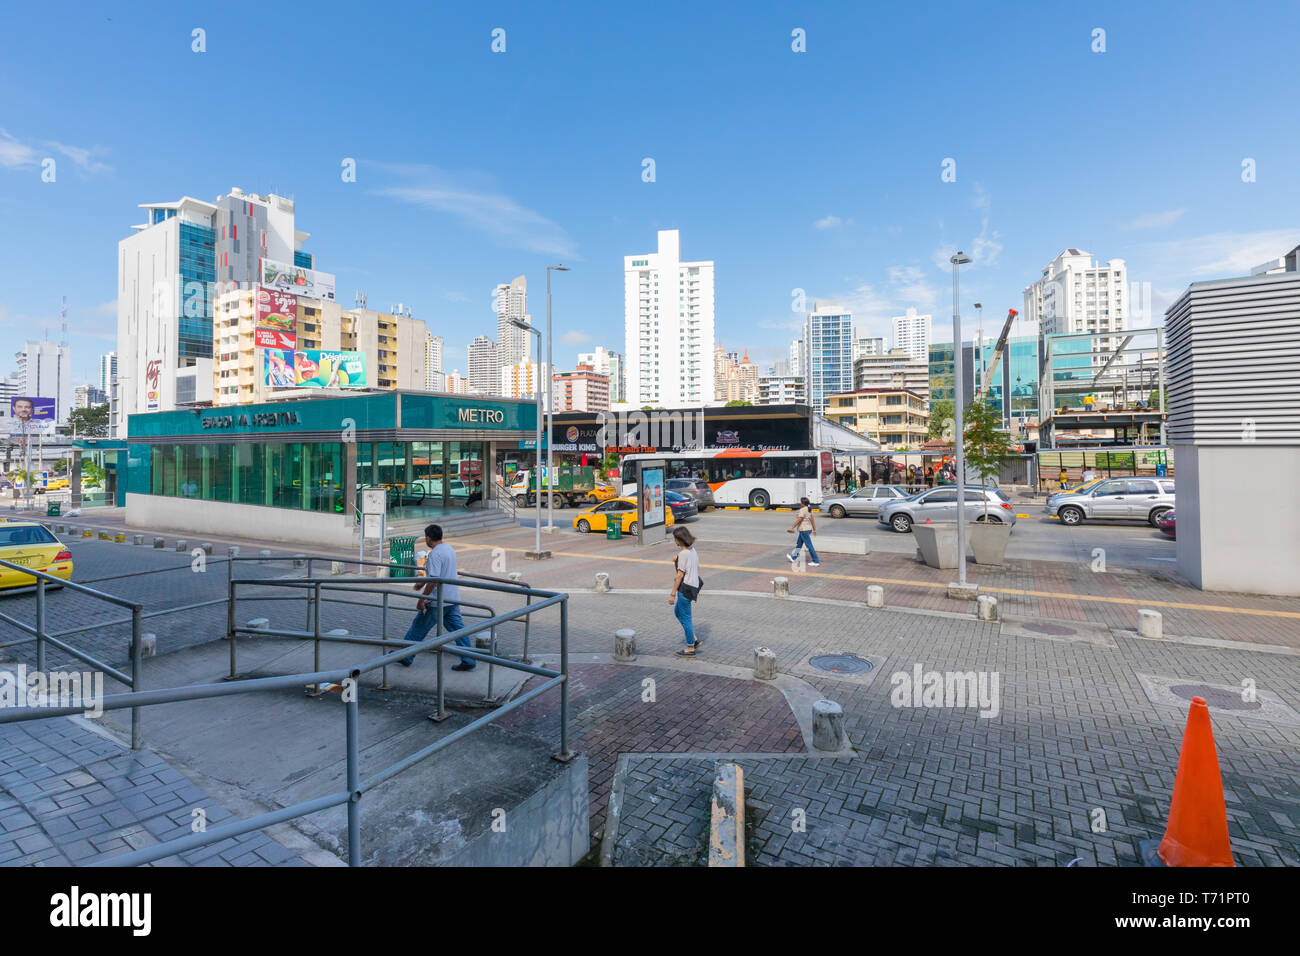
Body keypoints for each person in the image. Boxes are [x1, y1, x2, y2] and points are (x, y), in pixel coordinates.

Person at [398, 524, 475, 671]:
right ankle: (468, 658)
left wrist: (421, 600)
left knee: (418, 627)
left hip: (437, 601)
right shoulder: (448, 548)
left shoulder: (435, 554)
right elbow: (439, 573)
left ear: (428, 538)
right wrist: (421, 583)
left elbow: (434, 580)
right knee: (459, 630)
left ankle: (406, 656)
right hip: (452, 598)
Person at [669, 526, 702, 657]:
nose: (674, 541)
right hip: (693, 586)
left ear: (680, 539)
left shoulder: (683, 554)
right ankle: (693, 639)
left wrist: (672, 594)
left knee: (686, 618)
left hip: (685, 588)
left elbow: (679, 576)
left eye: (675, 538)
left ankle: (690, 647)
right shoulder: (692, 550)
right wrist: (677, 560)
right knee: (678, 612)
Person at [787, 496, 820, 567]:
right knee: (799, 544)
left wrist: (792, 527)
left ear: (802, 503)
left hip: (804, 530)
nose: (800, 503)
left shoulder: (802, 510)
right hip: (808, 529)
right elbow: (812, 520)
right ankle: (793, 557)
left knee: (809, 545)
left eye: (800, 502)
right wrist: (814, 530)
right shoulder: (809, 509)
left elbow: (800, 519)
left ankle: (816, 561)